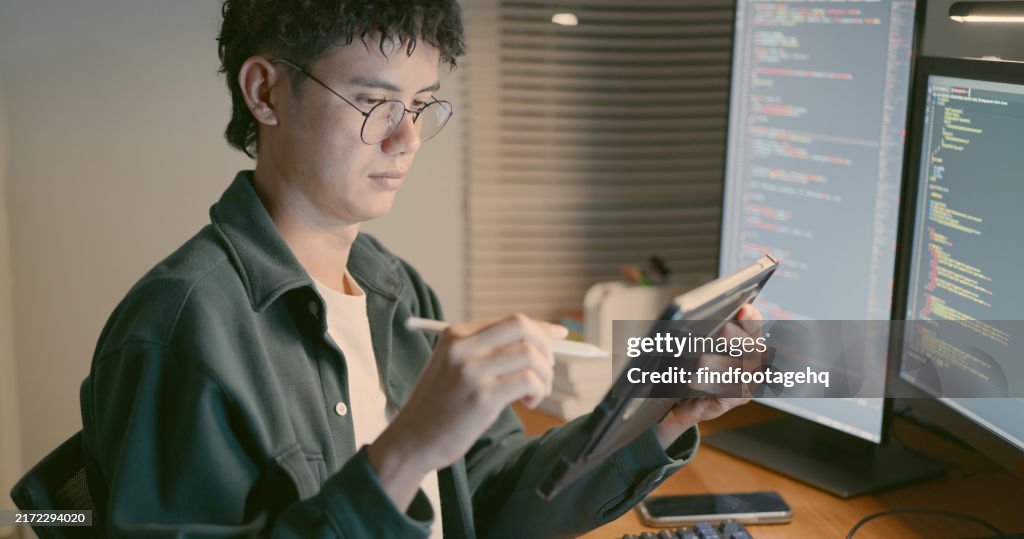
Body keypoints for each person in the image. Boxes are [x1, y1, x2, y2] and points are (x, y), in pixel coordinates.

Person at [79, 1, 759, 537]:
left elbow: (492, 500)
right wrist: (404, 452)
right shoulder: (180, 328)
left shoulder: (396, 290)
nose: (406, 139)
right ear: (265, 91)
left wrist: (665, 414)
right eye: (375, 102)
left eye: (422, 104)